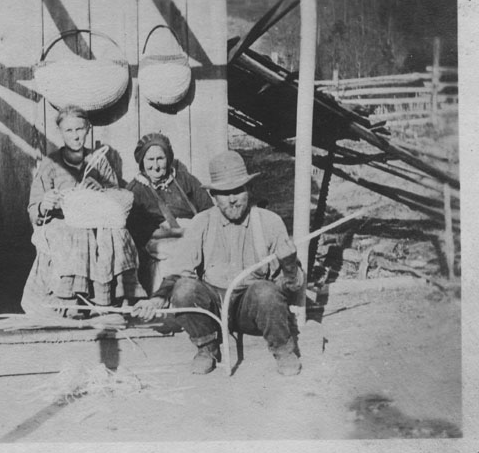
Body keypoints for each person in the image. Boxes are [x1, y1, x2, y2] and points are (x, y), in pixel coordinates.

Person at [132, 150, 305, 376]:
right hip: (212, 307)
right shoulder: (201, 223)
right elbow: (178, 271)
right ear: (213, 196)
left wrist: (290, 265)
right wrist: (156, 299)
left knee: (265, 292)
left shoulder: (269, 222)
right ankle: (207, 348)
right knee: (184, 289)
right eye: (224, 193)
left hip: (250, 308)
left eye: (237, 191)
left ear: (248, 190)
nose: (232, 199)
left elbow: (289, 287)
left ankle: (283, 351)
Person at [21, 106, 144, 316]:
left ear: (88, 129)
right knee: (80, 233)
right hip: (60, 222)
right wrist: (45, 203)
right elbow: (34, 208)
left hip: (95, 219)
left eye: (79, 129)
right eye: (69, 130)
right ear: (60, 132)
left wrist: (102, 190)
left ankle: (115, 297)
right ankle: (72, 298)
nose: (75, 135)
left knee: (117, 233)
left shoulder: (98, 161)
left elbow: (116, 201)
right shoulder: (50, 164)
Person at [126, 133, 213, 293]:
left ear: (168, 158)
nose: (156, 166)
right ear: (141, 162)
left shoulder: (185, 180)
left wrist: (193, 228)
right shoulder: (135, 190)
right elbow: (136, 234)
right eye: (150, 160)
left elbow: (208, 210)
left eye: (160, 158)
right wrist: (171, 232)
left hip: (194, 236)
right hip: (160, 246)